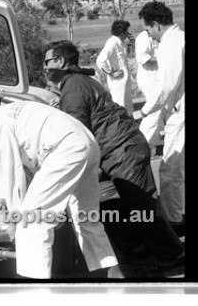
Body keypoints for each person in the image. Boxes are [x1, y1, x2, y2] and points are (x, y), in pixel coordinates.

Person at [43, 40, 184, 273]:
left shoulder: (73, 87)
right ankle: (141, 251)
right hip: (117, 150)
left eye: (47, 62)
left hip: (122, 150)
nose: (44, 67)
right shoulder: (77, 82)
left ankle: (173, 256)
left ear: (60, 61)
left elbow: (78, 131)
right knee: (120, 204)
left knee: (143, 206)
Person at [0, 96, 123, 279]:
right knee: (85, 216)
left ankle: (34, 288)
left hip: (64, 148)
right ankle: (112, 275)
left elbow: (12, 174)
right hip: (86, 142)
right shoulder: (9, 110)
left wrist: (14, 222)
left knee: (32, 220)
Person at [137, 1, 185, 236]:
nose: (149, 35)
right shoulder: (181, 38)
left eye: (147, 30)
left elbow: (165, 86)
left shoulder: (170, 44)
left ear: (155, 25)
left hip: (180, 111)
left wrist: (145, 111)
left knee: (171, 168)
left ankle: (175, 220)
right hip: (178, 108)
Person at [96, 20, 134, 114]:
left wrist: (131, 44)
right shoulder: (112, 43)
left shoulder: (120, 43)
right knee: (120, 107)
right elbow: (100, 60)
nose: (128, 33)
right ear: (121, 32)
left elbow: (129, 55)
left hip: (125, 81)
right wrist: (111, 73)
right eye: (126, 31)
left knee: (128, 107)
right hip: (118, 82)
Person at [135, 30, 164, 151]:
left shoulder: (161, 35)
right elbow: (144, 59)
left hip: (158, 78)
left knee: (161, 111)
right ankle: (139, 145)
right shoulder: (144, 37)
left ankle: (157, 144)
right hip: (149, 79)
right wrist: (165, 58)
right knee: (154, 111)